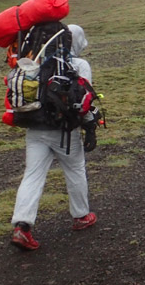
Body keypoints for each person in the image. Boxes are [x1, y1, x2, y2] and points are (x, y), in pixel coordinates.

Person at [10, 24, 98, 250]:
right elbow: (84, 99)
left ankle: (22, 227)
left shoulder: (33, 62)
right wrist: (90, 128)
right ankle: (81, 216)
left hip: (35, 128)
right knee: (75, 169)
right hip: (65, 131)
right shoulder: (78, 65)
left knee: (32, 175)